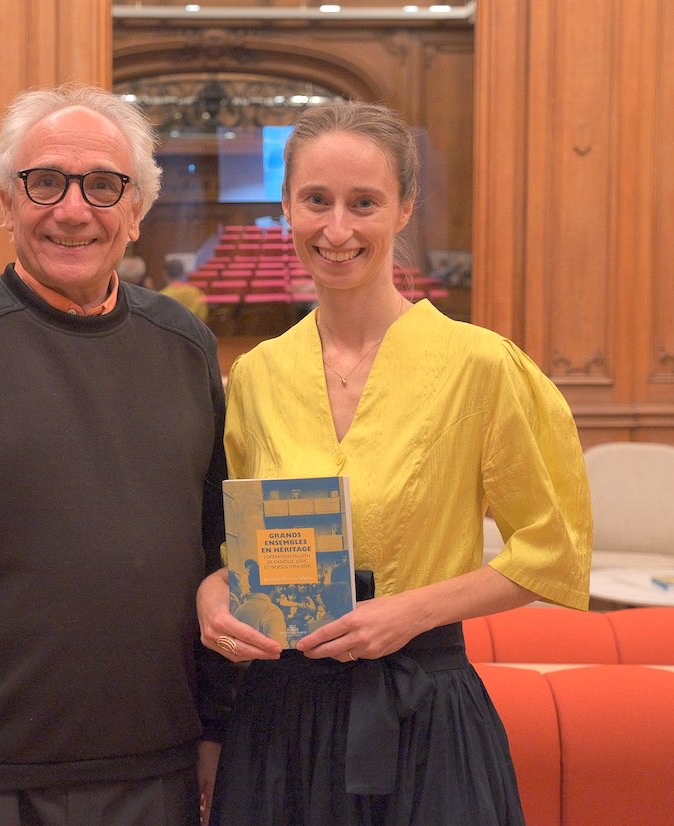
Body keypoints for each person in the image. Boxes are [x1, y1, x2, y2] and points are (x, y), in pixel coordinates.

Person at [0, 82, 234, 826]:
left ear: (136, 209)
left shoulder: (185, 346)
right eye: (45, 182)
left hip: (163, 769)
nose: (73, 210)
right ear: (7, 201)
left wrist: (219, 729)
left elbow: (219, 547)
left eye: (103, 185)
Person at [196, 100, 592, 825]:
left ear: (405, 208)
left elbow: (552, 550)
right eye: (317, 201)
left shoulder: (480, 365)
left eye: (364, 203)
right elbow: (247, 554)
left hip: (423, 715)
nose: (336, 229)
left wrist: (409, 612)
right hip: (279, 721)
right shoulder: (256, 375)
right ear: (286, 207)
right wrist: (213, 594)